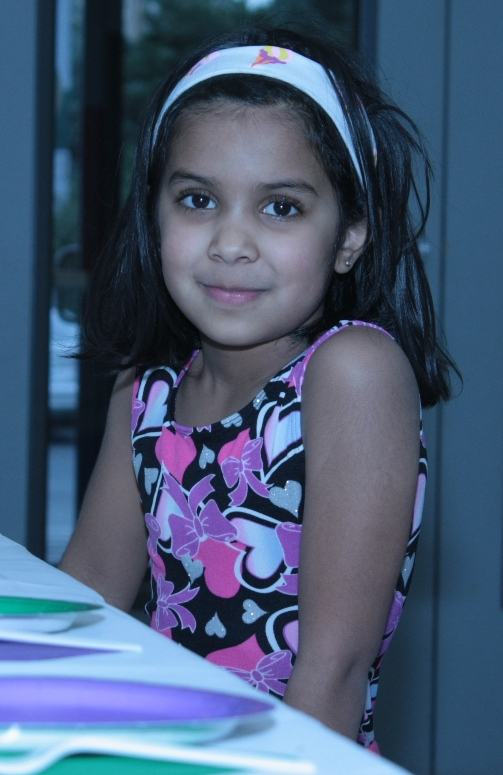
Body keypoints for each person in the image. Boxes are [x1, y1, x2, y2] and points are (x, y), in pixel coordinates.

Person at [59, 24, 457, 751]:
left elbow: (333, 669)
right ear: (153, 212)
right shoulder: (146, 387)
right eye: (197, 199)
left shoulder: (352, 374)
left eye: (280, 207)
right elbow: (87, 595)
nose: (231, 243)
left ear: (350, 235)